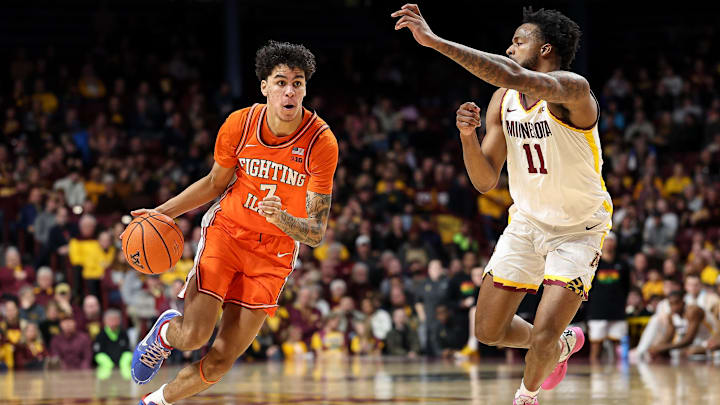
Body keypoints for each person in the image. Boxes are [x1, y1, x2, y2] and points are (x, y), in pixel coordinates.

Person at [393, 5, 611, 404]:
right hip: (527, 222)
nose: (509, 49)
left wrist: (435, 42)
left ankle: (525, 396)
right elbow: (484, 180)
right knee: (488, 331)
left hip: (579, 229)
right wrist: (467, 137)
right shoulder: (503, 100)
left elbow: (511, 72)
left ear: (545, 50)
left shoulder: (573, 90)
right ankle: (558, 346)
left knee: (543, 331)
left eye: (518, 41)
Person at [131, 41, 338, 405]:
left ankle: (154, 402)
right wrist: (161, 213)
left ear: (306, 88)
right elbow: (214, 183)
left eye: (298, 82)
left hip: (274, 254)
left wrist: (283, 218)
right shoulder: (240, 124)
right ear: (264, 87)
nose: (290, 90)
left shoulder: (321, 142)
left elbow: (316, 232)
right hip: (227, 234)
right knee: (194, 334)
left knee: (221, 361)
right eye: (280, 82)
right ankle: (165, 332)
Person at [586, 233, 630, 363]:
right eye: (606, 241)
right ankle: (596, 378)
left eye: (611, 241)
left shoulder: (622, 264)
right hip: (597, 310)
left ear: (615, 243)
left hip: (618, 311)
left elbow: (626, 286)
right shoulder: (594, 263)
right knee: (596, 346)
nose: (609, 244)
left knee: (620, 348)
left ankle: (620, 379)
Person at [647, 291, 715, 359]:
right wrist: (657, 347)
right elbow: (667, 338)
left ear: (683, 302)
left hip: (712, 341)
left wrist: (663, 348)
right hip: (694, 344)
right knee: (659, 352)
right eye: (671, 304)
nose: (674, 307)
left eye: (676, 303)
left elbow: (689, 339)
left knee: (690, 351)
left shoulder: (693, 311)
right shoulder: (671, 316)